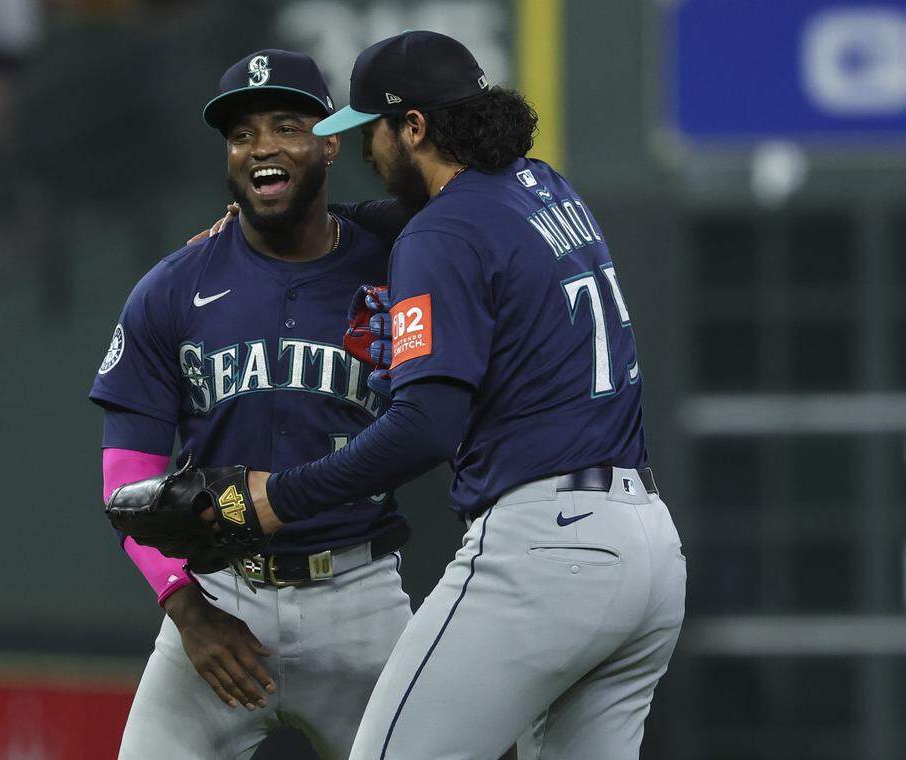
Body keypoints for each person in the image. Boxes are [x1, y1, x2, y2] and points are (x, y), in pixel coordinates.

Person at [214, 31, 687, 759]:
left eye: (372, 130)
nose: (366, 153)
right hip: (648, 548)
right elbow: (421, 220)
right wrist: (266, 225)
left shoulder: (442, 234)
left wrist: (283, 496)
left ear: (413, 127)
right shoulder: (544, 186)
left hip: (548, 547)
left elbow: (425, 428)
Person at [89, 50, 413, 760]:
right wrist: (186, 610)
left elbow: (472, 202)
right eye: (242, 134)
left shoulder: (398, 254)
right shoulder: (172, 287)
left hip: (359, 593)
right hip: (219, 593)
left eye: (287, 126)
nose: (262, 146)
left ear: (331, 142)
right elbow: (126, 480)